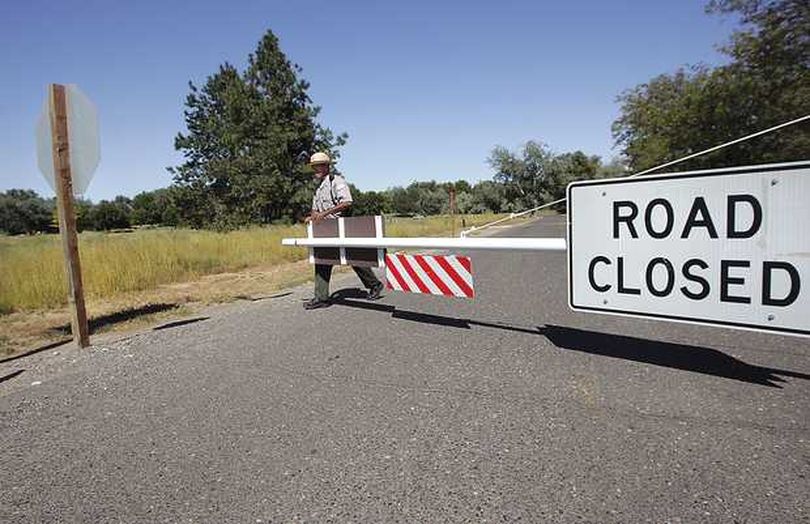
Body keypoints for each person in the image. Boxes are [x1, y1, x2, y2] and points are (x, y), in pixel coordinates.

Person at [303, 152, 384, 310]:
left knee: (354, 258)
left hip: (341, 227)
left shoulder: (336, 181)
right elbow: (315, 210)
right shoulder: (318, 188)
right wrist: (312, 217)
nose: (316, 169)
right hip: (325, 230)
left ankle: (375, 284)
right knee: (322, 260)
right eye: (314, 166)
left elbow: (347, 202)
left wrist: (324, 214)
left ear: (326, 166)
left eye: (318, 165)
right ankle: (321, 297)